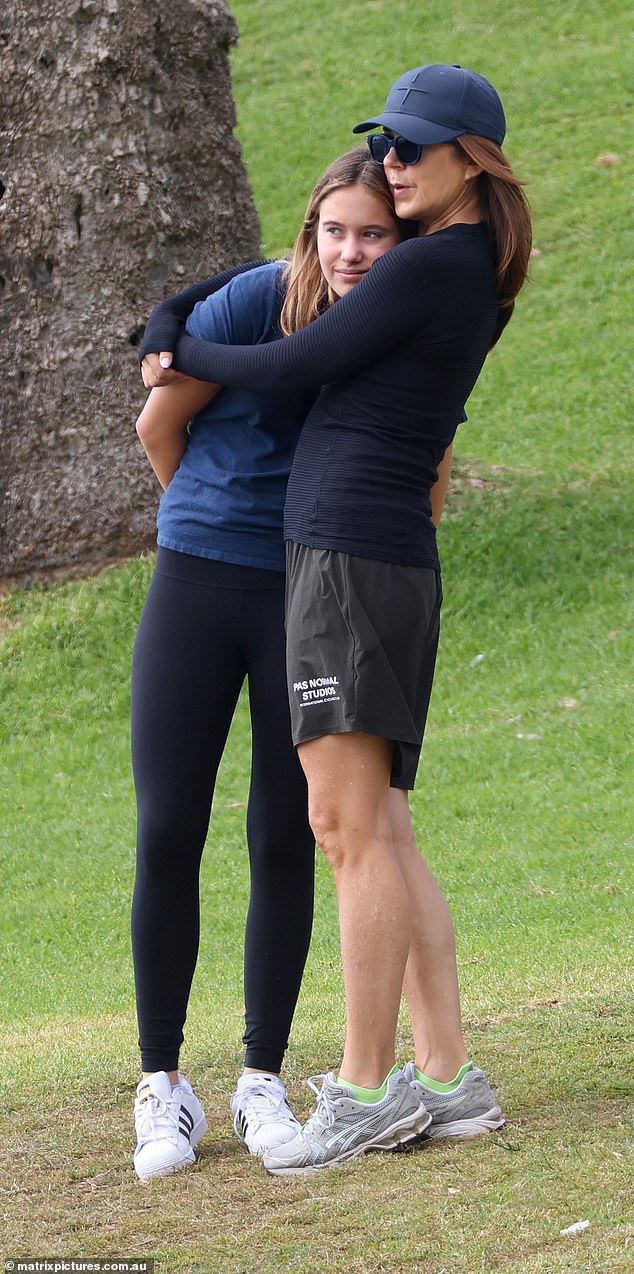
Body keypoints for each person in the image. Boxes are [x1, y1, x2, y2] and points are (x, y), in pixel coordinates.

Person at [140, 63, 532, 1176]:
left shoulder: (441, 262)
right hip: (369, 556)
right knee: (381, 827)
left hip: (353, 560)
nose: (396, 161)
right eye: (388, 145)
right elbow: (308, 262)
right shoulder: (453, 262)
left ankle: (363, 1089)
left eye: (415, 147)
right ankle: (448, 1077)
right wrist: (187, 302)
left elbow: (297, 356)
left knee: (344, 829)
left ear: (473, 161)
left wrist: (174, 347)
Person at [131, 149, 412, 1180]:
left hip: (311, 592)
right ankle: (162, 1086)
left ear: (400, 243)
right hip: (200, 575)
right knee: (168, 824)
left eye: (373, 232)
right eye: (336, 228)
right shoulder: (260, 297)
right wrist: (210, 515)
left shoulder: (393, 327)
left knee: (281, 832)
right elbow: (160, 421)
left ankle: (260, 1078)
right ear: (311, 231)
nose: (350, 249)